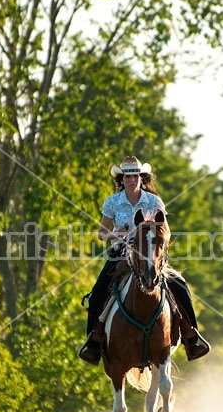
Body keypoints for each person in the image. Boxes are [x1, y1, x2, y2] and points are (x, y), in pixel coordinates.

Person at [78, 156, 211, 365]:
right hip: (121, 253)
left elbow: (166, 230)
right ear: (121, 179)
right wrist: (116, 234)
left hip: (150, 254)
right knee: (97, 293)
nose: (132, 179)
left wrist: (153, 236)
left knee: (181, 286)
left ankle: (191, 336)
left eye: (135, 175)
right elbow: (101, 233)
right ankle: (94, 341)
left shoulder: (154, 201)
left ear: (141, 177)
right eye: (128, 176)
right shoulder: (112, 202)